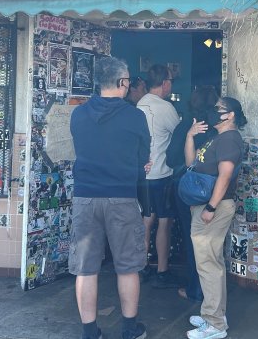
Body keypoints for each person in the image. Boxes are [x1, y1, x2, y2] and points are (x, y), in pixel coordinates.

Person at [69, 56, 152, 339]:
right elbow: (143, 157)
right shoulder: (135, 116)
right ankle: (129, 330)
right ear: (122, 82)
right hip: (122, 197)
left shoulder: (78, 115)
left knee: (85, 269)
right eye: (128, 80)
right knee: (127, 267)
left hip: (85, 198)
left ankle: (90, 333)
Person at [184, 97, 247, 339]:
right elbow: (190, 164)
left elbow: (225, 175)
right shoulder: (217, 137)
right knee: (211, 262)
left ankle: (215, 325)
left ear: (230, 115)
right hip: (206, 206)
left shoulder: (230, 139)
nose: (213, 112)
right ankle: (214, 314)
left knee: (208, 264)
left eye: (218, 109)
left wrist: (210, 207)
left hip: (214, 207)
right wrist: (190, 136)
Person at [167, 85, 220, 303]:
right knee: (211, 242)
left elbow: (171, 159)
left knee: (192, 239)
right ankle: (210, 291)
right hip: (215, 190)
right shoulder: (219, 127)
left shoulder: (186, 126)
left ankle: (195, 289)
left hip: (187, 190)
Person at [137, 64, 181, 288]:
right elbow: (179, 134)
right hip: (162, 174)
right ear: (164, 83)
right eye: (170, 81)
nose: (171, 85)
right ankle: (162, 270)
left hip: (141, 176)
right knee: (164, 222)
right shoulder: (166, 108)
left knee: (145, 221)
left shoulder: (138, 105)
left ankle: (142, 267)